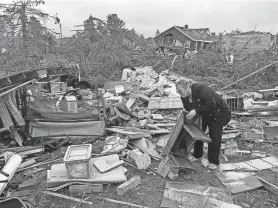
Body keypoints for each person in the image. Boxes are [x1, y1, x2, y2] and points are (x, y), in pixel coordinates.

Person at [176, 79, 231, 170]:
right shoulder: (184, 97)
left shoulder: (201, 88)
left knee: (214, 136)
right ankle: (197, 155)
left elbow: (211, 104)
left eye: (180, 90)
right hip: (204, 113)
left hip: (218, 113)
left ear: (187, 87)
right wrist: (183, 114)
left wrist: (196, 111)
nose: (179, 93)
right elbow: (187, 109)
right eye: (177, 91)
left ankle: (213, 161)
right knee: (197, 131)